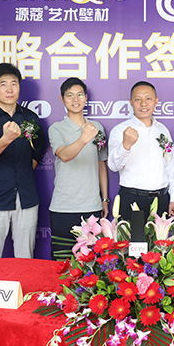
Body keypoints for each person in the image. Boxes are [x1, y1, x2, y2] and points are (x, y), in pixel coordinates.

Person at [0, 63, 45, 260]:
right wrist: (5, 139)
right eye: (3, 84)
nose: (9, 89)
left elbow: (38, 149)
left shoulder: (30, 118)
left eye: (14, 83)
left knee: (25, 258)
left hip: (27, 197)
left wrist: (25, 173)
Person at [48, 78, 109, 260]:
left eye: (80, 95)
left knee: (92, 263)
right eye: (70, 95)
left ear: (86, 98)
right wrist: (84, 137)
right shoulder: (56, 129)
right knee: (62, 263)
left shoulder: (97, 128)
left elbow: (101, 164)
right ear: (62, 99)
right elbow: (64, 155)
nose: (75, 99)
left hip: (91, 207)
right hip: (63, 208)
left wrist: (104, 199)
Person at [108, 81, 174, 224]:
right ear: (131, 102)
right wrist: (126, 145)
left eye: (148, 98)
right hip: (132, 199)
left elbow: (169, 167)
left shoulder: (162, 130)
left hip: (161, 200)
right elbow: (113, 166)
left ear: (156, 101)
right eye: (138, 99)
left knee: (161, 239)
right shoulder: (120, 130)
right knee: (132, 239)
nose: (143, 104)